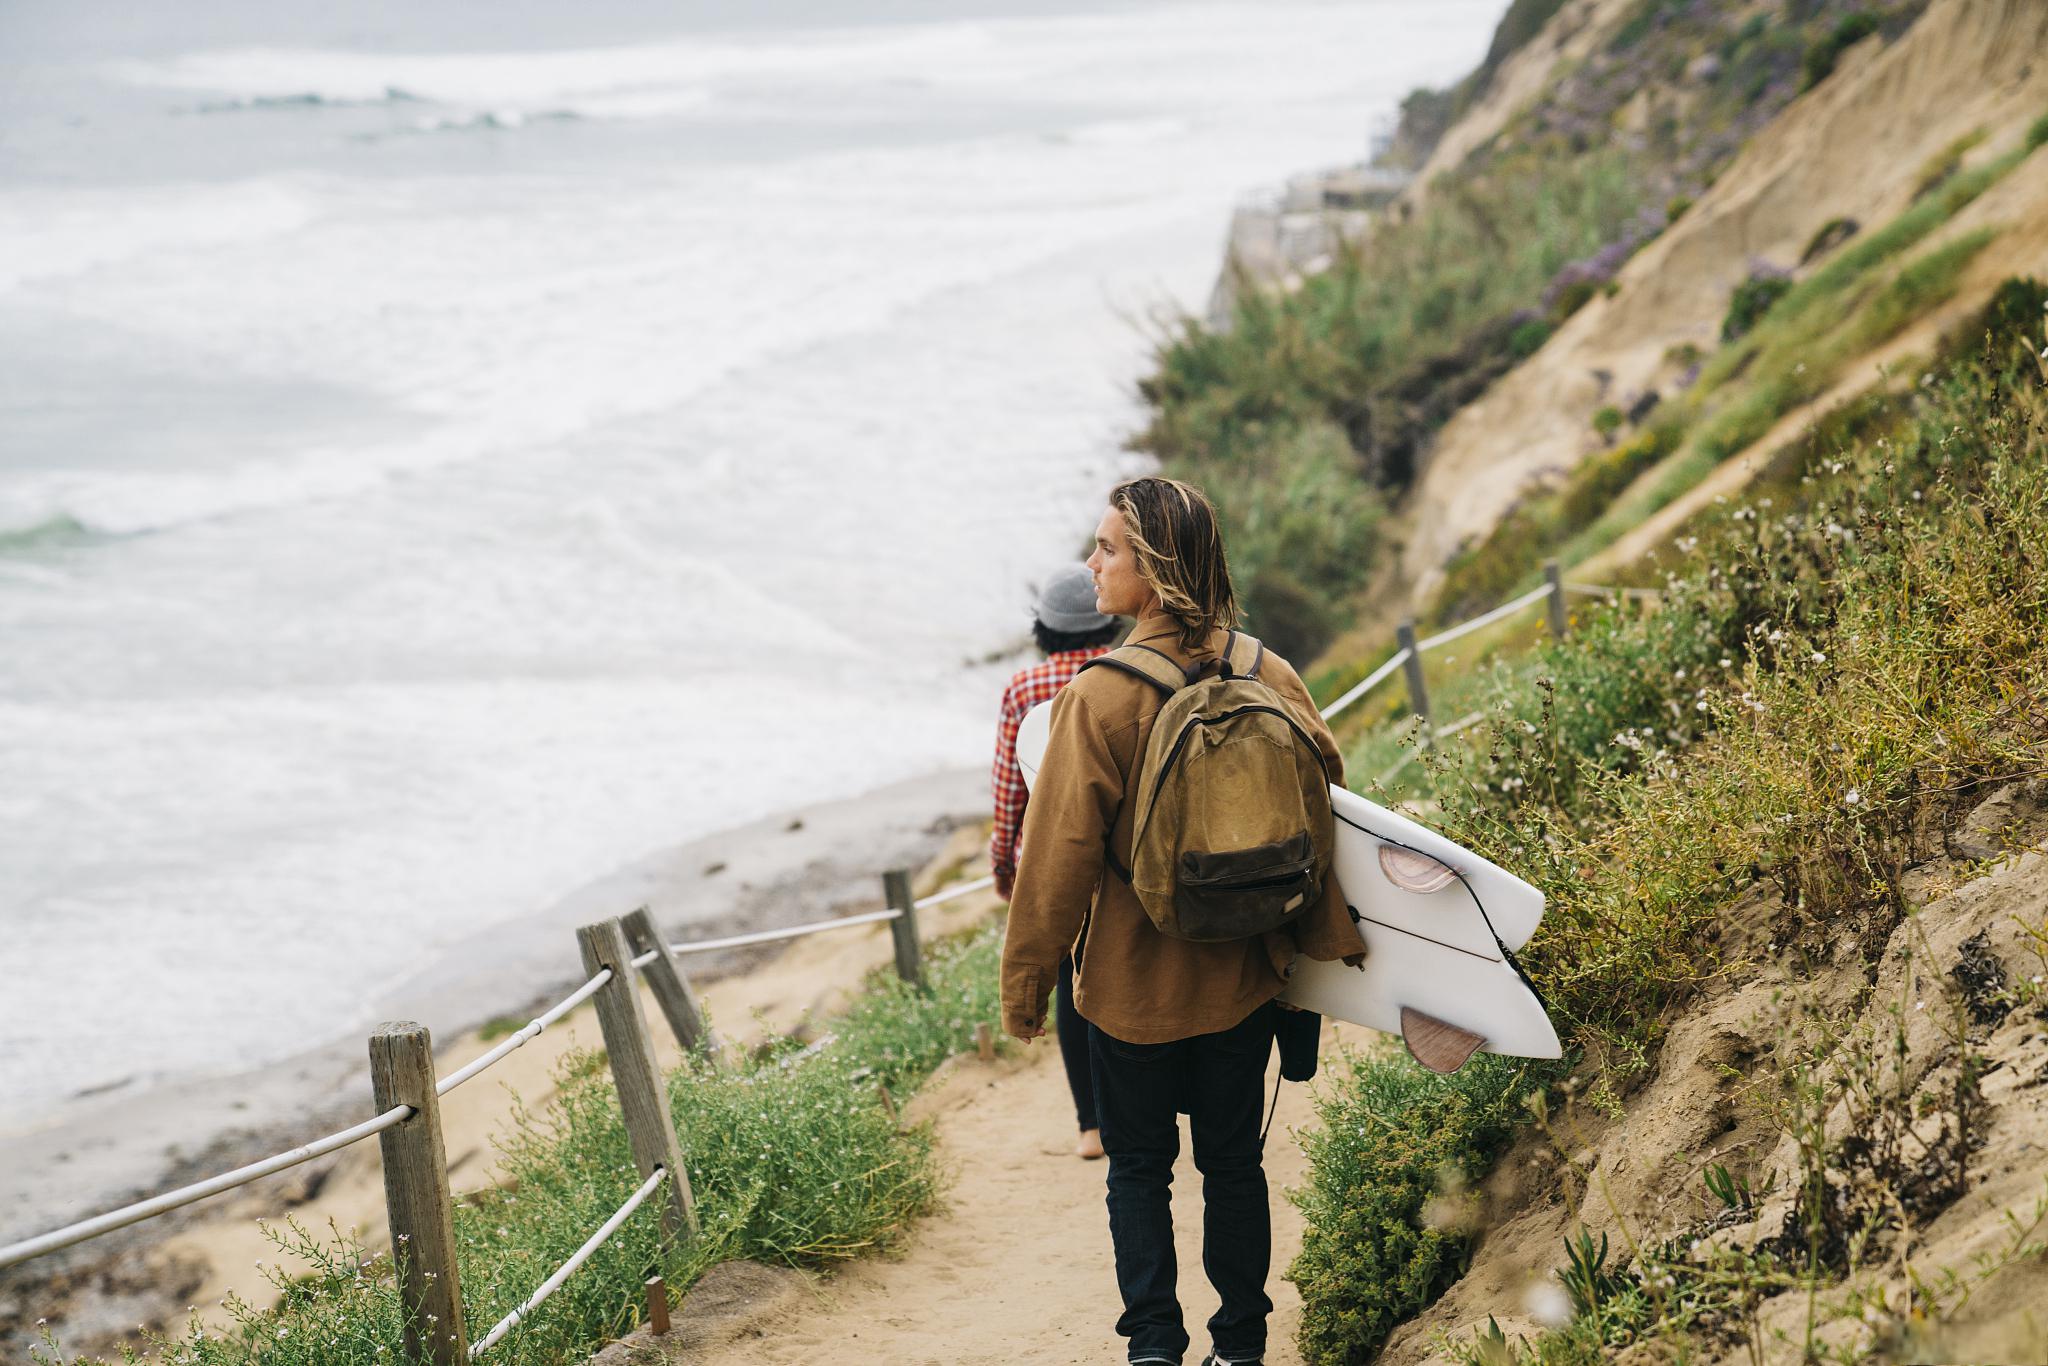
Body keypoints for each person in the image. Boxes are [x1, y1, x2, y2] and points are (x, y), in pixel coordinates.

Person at [1001, 476, 1362, 1366]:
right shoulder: (1263, 670)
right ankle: (1240, 1345)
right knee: (1234, 1168)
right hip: (1243, 981)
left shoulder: (1100, 698)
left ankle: (1154, 1347)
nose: (1092, 564)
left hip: (1128, 992)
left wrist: (1022, 990)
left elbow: (1054, 865)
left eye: (1108, 549)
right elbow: (1330, 798)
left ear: (1154, 574)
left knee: (1138, 1172)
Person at [990, 561, 1120, 1159]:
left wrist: (1005, 863)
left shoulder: (1023, 689)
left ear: (1044, 626)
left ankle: (1091, 1126)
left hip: (1049, 861)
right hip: (1119, 853)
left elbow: (1008, 791)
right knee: (1124, 971)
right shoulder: (1121, 674)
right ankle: (1140, 1109)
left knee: (1071, 983)